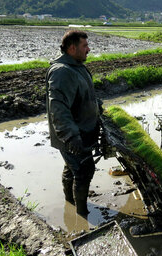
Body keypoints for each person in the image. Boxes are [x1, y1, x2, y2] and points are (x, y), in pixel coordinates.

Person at [45, 30, 102, 218]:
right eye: (84, 46)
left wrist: (100, 109)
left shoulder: (78, 67)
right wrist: (71, 137)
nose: (89, 49)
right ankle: (82, 214)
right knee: (84, 170)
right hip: (73, 135)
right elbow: (59, 109)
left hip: (84, 131)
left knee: (72, 168)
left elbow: (88, 96)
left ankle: (70, 203)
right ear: (72, 48)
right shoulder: (62, 72)